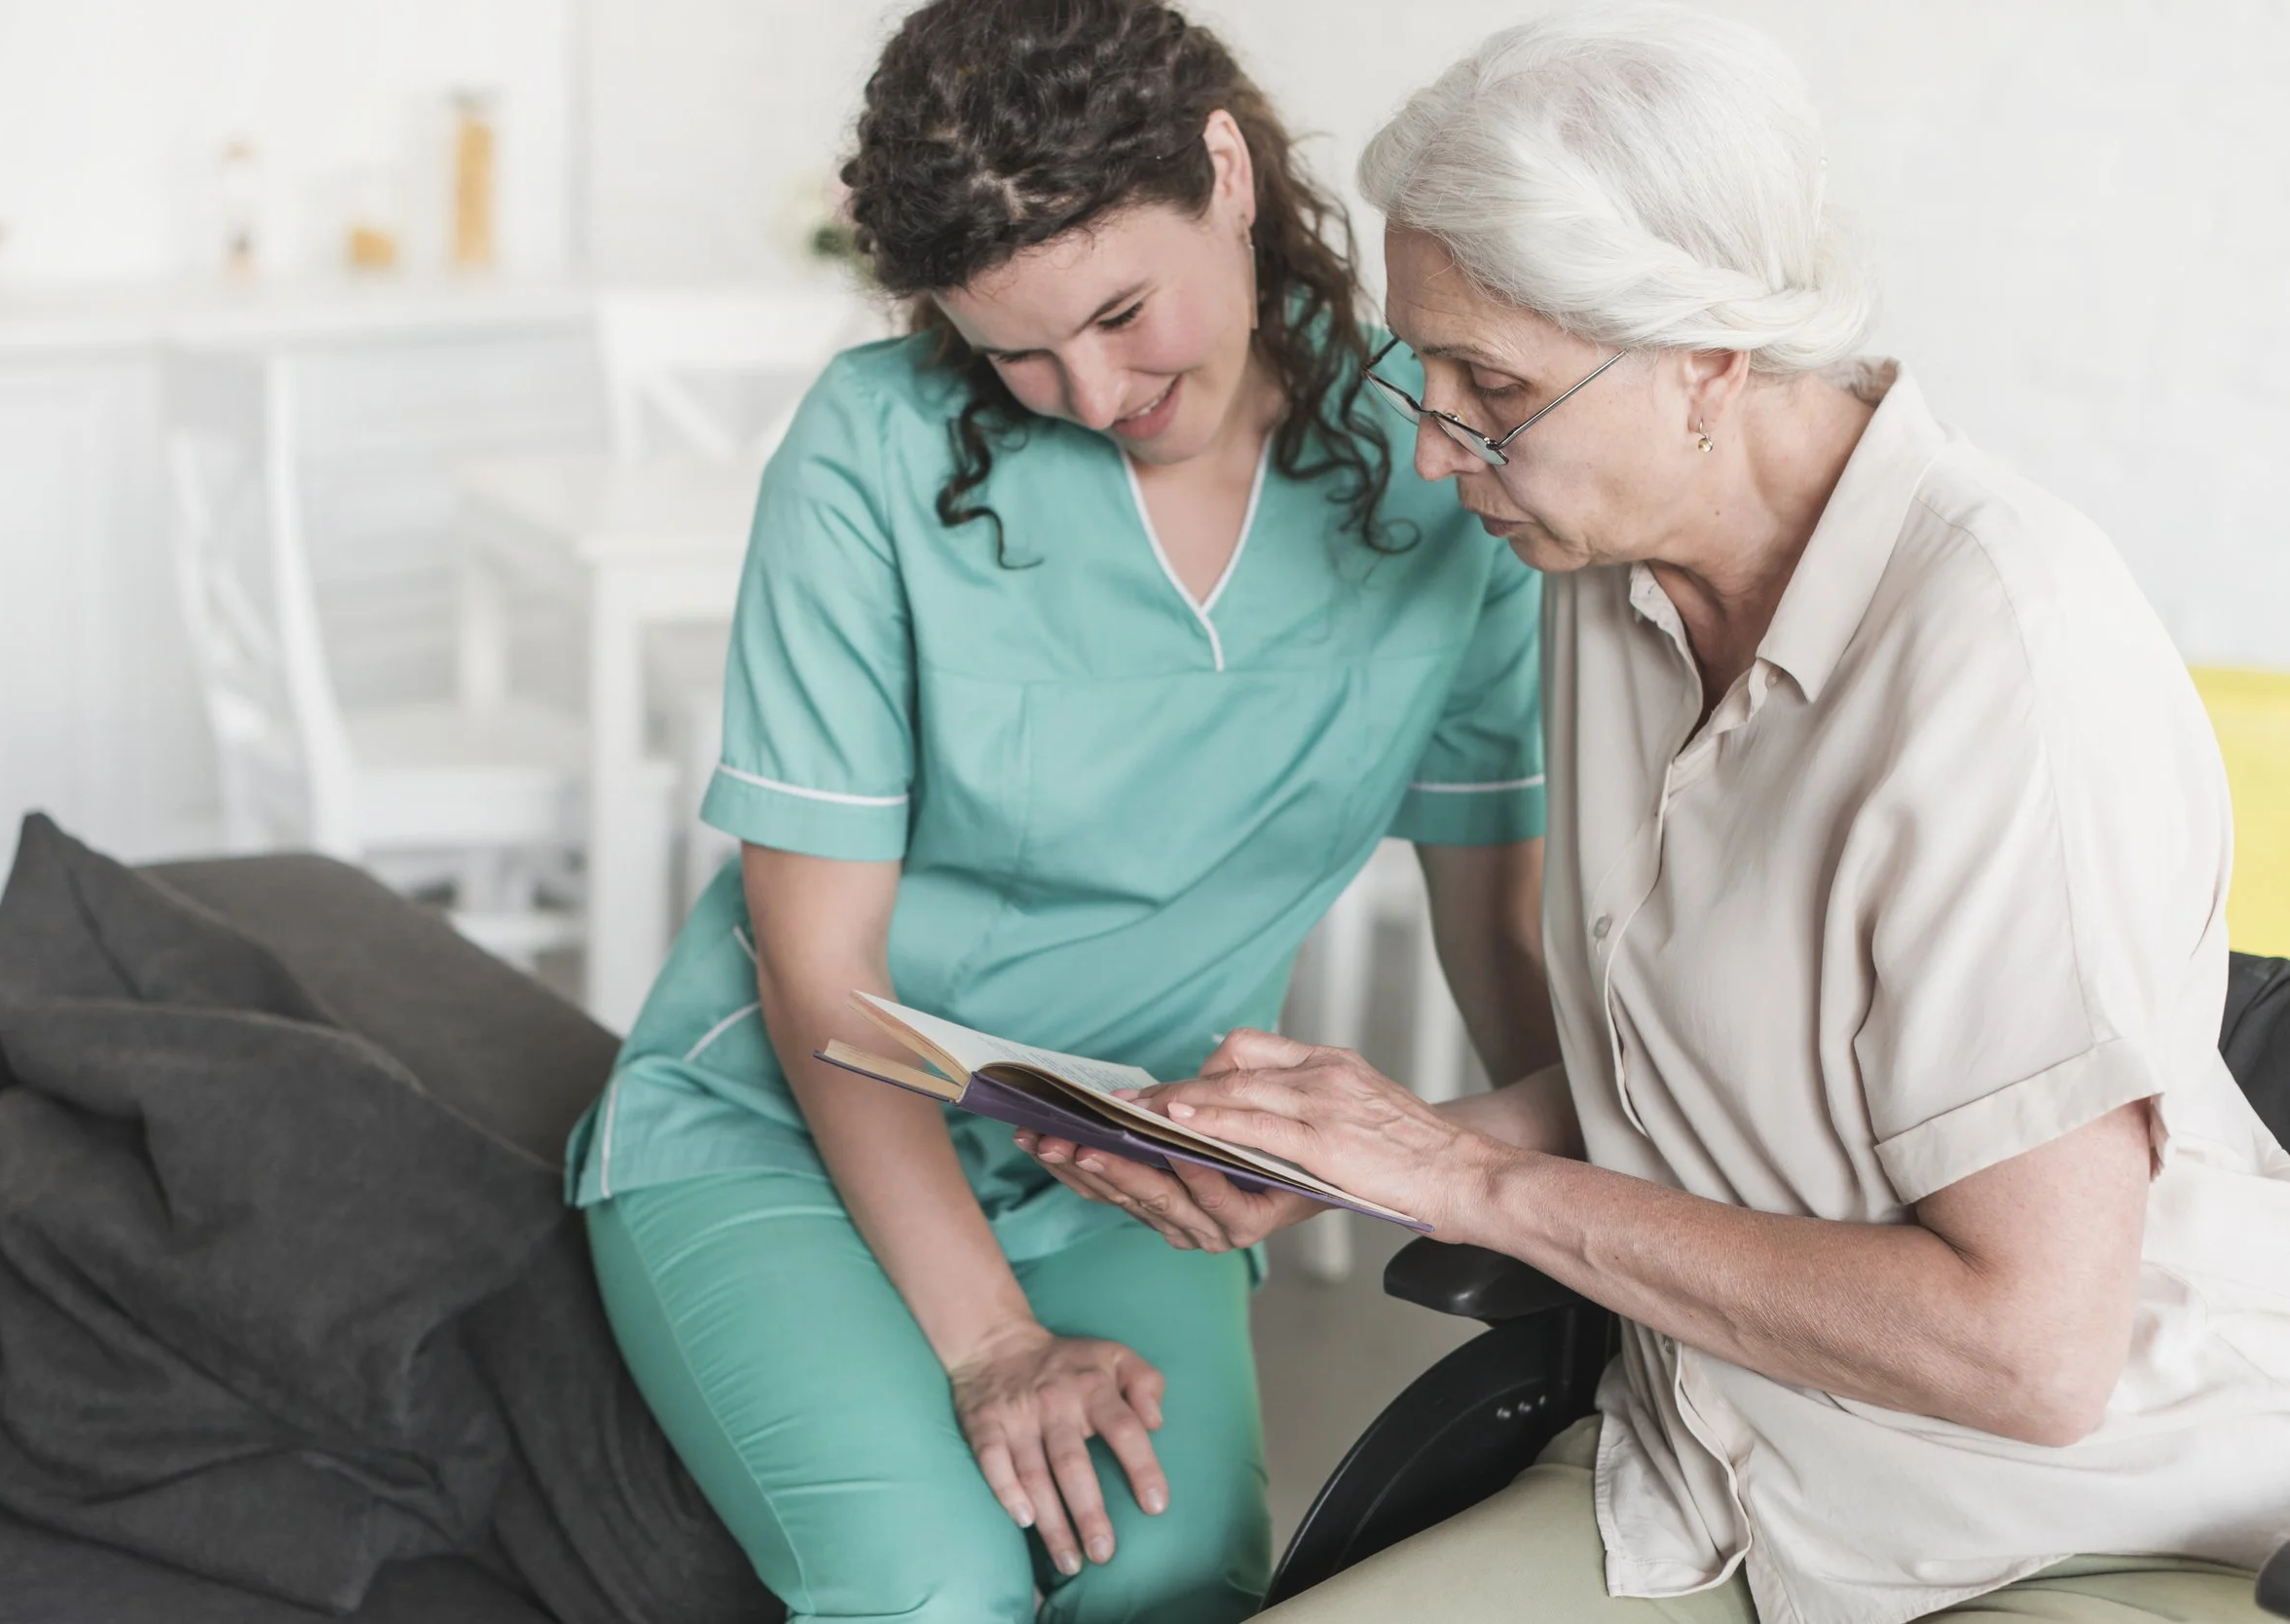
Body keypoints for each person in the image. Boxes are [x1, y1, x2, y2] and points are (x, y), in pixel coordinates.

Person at [1021, 8, 2290, 1622]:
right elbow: (1719, 1079)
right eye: (1432, 369)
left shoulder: (2006, 657)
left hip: (2068, 1517)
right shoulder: (1608, 563)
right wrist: (1358, 1157)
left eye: (1493, 382)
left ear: (1709, 359)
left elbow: (2028, 1352)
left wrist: (1467, 1186)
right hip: (1710, 1466)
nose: (1431, 448)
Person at [562, 2, 1558, 1618]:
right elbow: (819, 974)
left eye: (1119, 312)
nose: (1089, 391)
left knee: (1173, 1580)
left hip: (1123, 1168)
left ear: (1227, 175)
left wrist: (1541, 1204)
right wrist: (993, 1346)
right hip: (781, 1140)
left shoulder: (1434, 462)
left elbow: (1496, 925)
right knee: (934, 1590)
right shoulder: (868, 454)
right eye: (1013, 352)